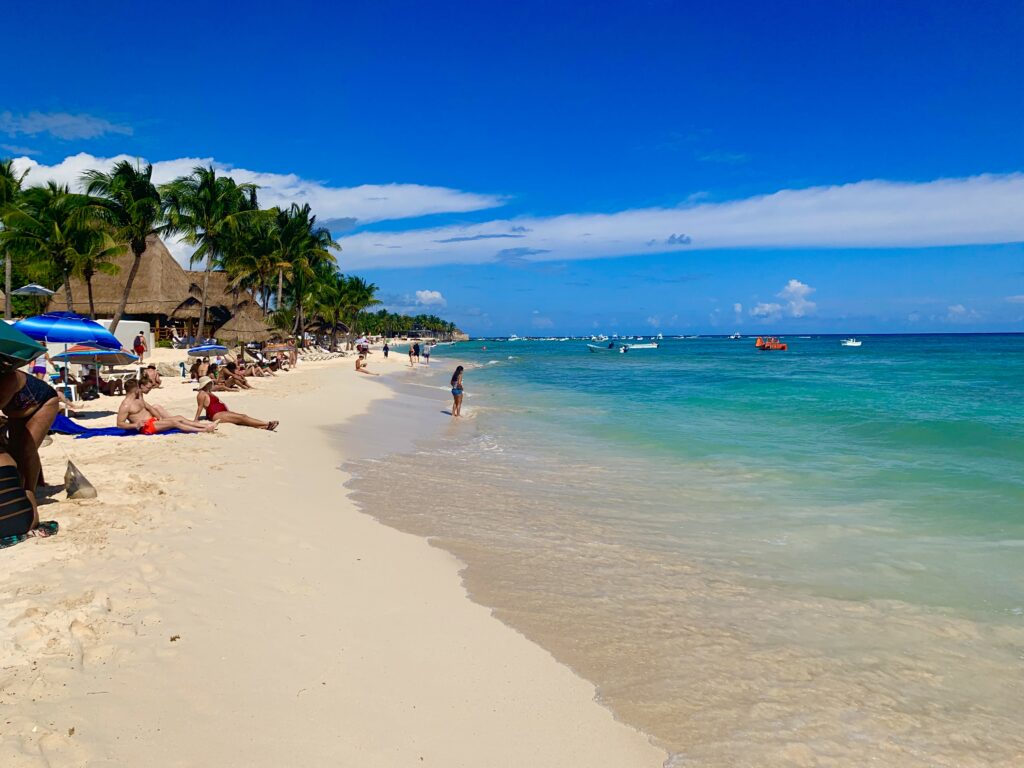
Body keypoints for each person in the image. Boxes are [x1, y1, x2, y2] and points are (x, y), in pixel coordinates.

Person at [0, 367, 61, 492]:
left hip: (44, 403)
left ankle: (29, 492)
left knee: (27, 448)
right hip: (16, 411)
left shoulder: (10, 378)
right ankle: (27, 484)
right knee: (15, 449)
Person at [117, 380, 215, 434]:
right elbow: (119, 424)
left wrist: (159, 418)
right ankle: (204, 430)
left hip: (153, 421)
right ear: (135, 390)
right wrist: (135, 425)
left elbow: (150, 408)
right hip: (146, 427)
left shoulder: (139, 398)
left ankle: (205, 426)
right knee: (174, 422)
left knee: (179, 417)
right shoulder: (125, 405)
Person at [194, 377, 278, 431]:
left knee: (241, 420)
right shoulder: (201, 394)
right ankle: (267, 423)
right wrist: (196, 420)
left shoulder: (208, 392)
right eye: (208, 383)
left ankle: (263, 427)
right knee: (242, 417)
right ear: (205, 384)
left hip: (221, 412)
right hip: (217, 414)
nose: (210, 384)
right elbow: (200, 407)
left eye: (210, 383)